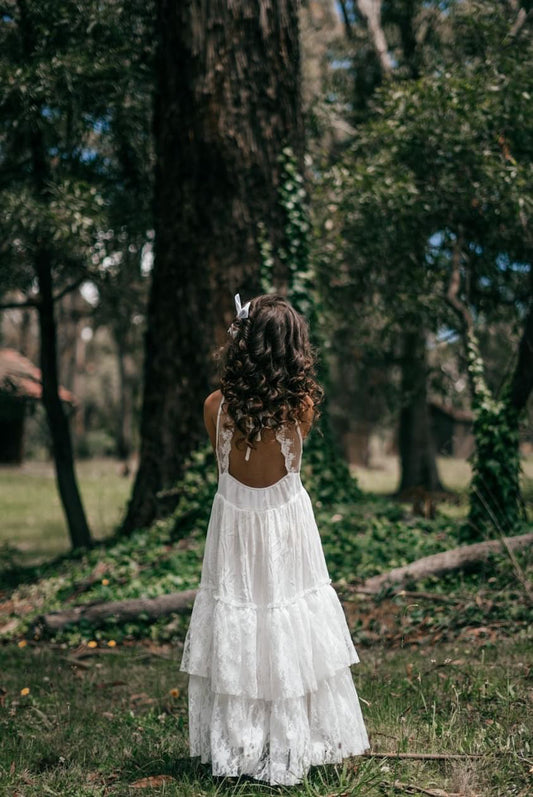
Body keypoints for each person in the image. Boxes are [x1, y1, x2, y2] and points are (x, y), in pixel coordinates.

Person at [180, 293, 369, 785]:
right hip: (286, 533)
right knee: (287, 624)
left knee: (241, 623)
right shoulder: (300, 410)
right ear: (292, 350)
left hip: (236, 535)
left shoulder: (213, 410)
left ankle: (241, 744)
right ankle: (287, 742)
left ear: (241, 343)